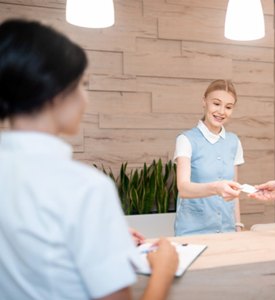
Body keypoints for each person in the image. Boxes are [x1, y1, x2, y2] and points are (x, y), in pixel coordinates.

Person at [0, 19, 178, 300]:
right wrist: (164, 269)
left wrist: (101, 233)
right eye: (83, 85)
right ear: (55, 93)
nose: (86, 99)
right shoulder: (85, 188)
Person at [174, 79, 244, 236]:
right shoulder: (186, 140)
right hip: (193, 232)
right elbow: (183, 188)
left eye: (228, 107)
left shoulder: (234, 142)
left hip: (227, 232)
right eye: (216, 103)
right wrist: (216, 188)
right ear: (204, 101)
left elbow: (234, 191)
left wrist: (238, 226)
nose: (221, 111)